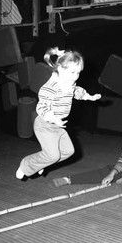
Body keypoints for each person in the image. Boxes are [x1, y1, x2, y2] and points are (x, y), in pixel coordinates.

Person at [16, 47, 101, 180]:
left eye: (78, 73)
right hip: (45, 124)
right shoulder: (51, 87)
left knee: (68, 151)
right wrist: (53, 117)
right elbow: (41, 107)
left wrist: (89, 97)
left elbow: (77, 91)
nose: (75, 76)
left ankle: (42, 162)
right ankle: (26, 165)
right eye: (73, 72)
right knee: (53, 155)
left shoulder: (69, 84)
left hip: (58, 126)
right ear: (61, 69)